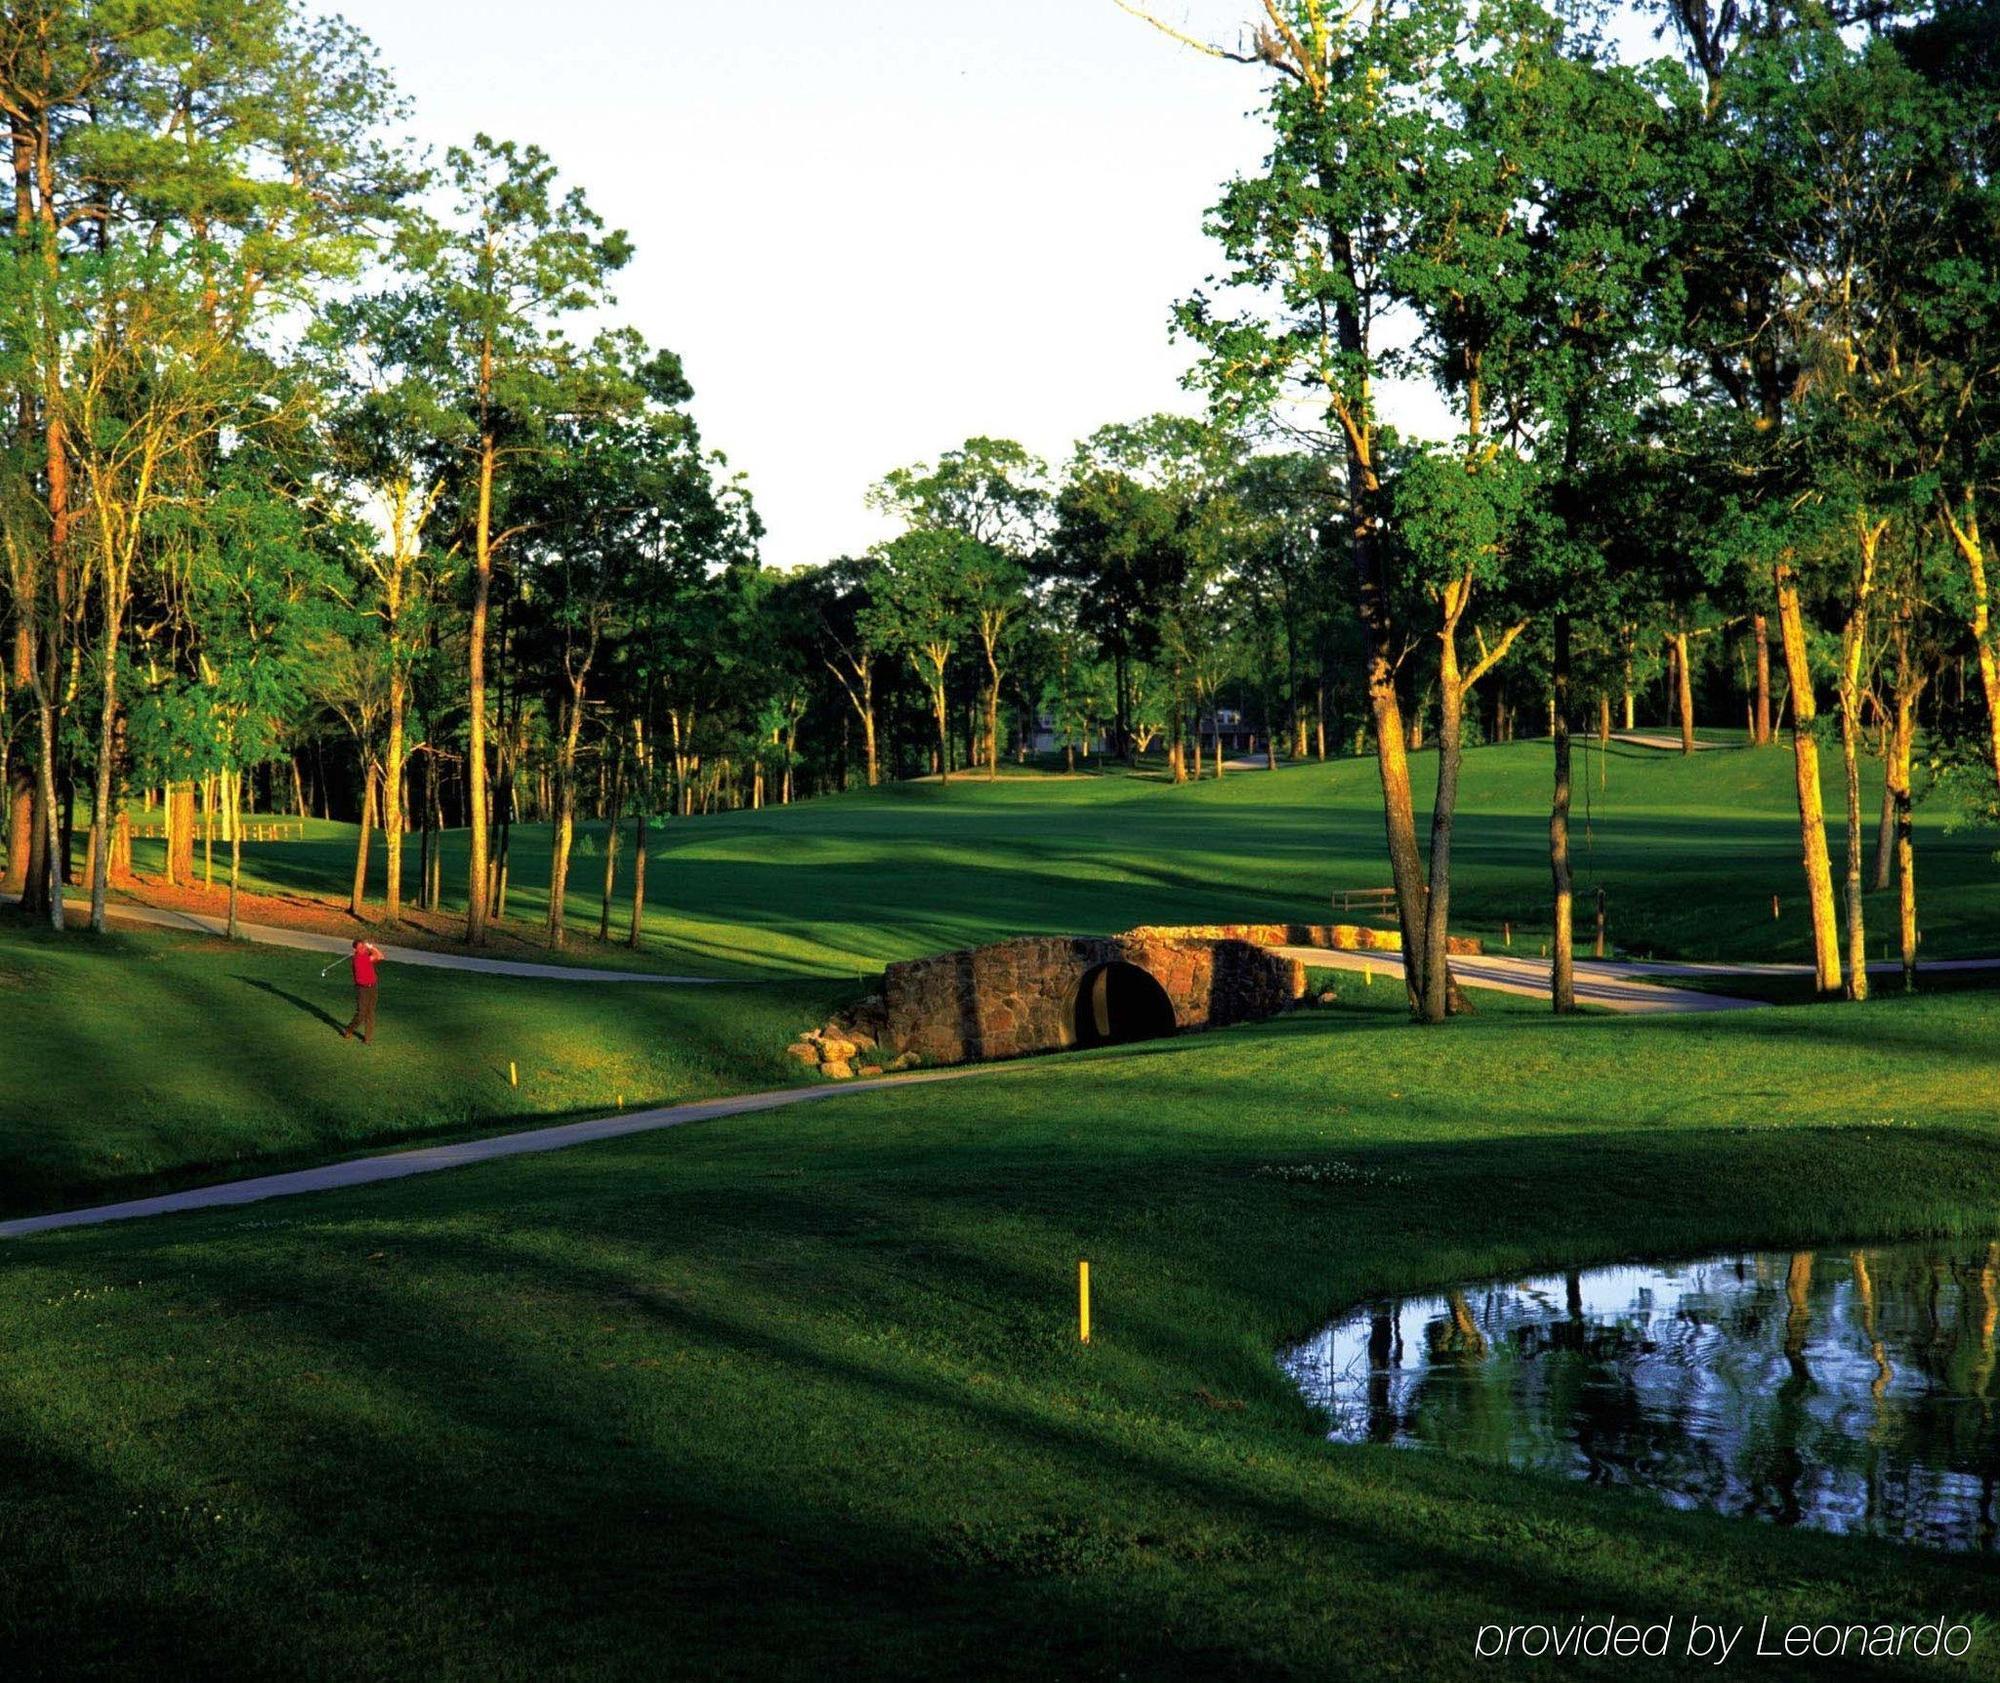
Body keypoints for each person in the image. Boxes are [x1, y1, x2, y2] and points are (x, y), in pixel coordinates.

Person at [343, 938, 384, 1043]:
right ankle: (349, 1029)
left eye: (363, 946)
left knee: (370, 1012)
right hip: (362, 989)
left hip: (373, 987)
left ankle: (368, 1038)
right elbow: (378, 956)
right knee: (361, 1013)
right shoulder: (357, 959)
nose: (362, 949)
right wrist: (370, 948)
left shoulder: (365, 955)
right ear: (355, 949)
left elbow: (381, 956)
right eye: (360, 947)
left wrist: (371, 947)